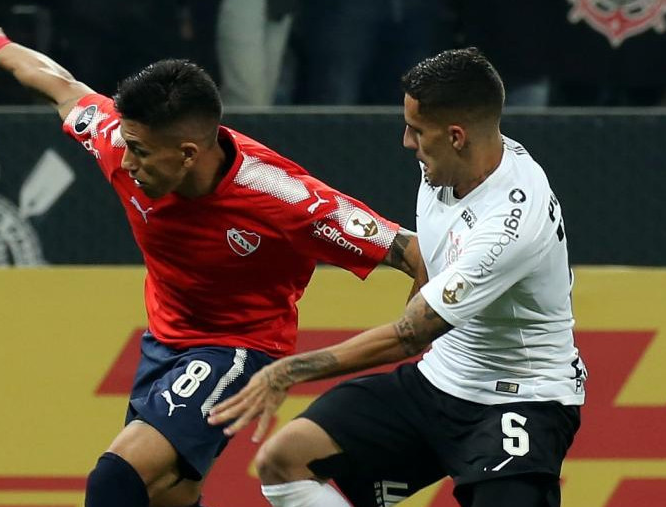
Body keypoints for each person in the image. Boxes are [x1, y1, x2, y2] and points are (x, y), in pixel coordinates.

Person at [0, 20, 425, 507]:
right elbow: (60, 85)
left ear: (188, 153)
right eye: (128, 144)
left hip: (238, 348)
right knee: (168, 494)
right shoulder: (118, 141)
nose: (126, 162)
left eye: (142, 152)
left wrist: (420, 357)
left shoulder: (284, 197)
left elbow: (414, 253)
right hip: (164, 343)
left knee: (115, 479)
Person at [208, 47, 587, 507]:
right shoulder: (446, 165)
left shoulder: (509, 225)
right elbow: (431, 251)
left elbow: (411, 335)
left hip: (523, 399)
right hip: (439, 381)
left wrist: (289, 370)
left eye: (416, 130)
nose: (407, 141)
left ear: (456, 135)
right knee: (285, 461)